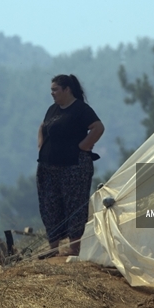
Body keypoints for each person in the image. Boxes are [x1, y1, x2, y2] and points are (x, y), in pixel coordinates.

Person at [36, 74, 104, 257]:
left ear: (67, 90)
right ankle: (54, 249)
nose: (52, 93)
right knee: (50, 205)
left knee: (74, 206)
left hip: (74, 168)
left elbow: (98, 127)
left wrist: (83, 146)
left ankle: (74, 249)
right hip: (49, 169)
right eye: (51, 90)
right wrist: (42, 147)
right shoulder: (53, 109)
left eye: (55, 90)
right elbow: (42, 127)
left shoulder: (80, 109)